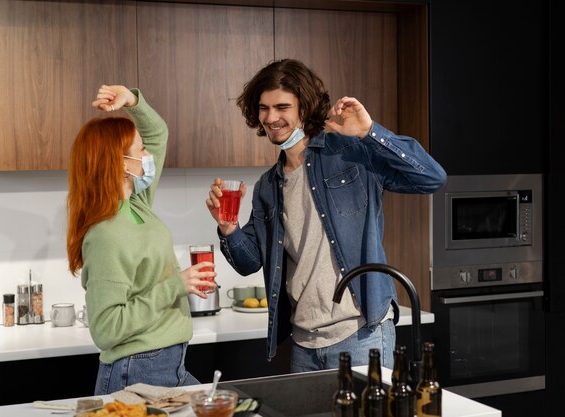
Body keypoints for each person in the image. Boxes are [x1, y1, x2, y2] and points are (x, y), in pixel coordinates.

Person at [205, 59, 447, 372]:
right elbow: (248, 262)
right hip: (303, 343)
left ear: (303, 108)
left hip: (361, 334)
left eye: (282, 107)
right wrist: (228, 227)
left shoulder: (349, 153)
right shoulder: (268, 185)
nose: (271, 118)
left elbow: (432, 178)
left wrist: (370, 132)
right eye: (263, 108)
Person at [66, 84, 216, 394]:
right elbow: (107, 330)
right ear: (122, 164)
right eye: (140, 150)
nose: (148, 155)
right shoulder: (107, 233)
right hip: (136, 370)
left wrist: (131, 101)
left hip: (166, 364)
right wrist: (177, 284)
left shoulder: (136, 204)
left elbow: (158, 133)